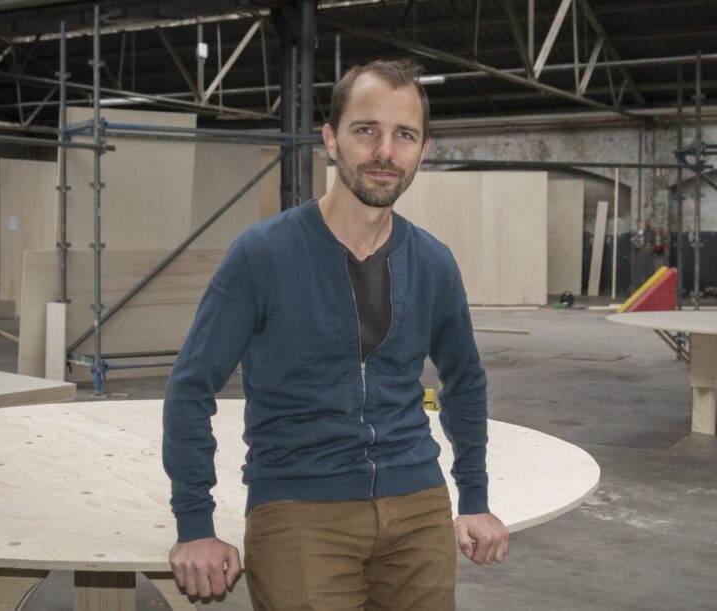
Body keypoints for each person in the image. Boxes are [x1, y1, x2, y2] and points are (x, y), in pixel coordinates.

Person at [162, 58, 508, 611]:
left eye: (404, 135)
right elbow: (191, 386)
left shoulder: (433, 262)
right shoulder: (263, 255)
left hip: (417, 503)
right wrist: (195, 524)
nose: (384, 151)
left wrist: (475, 497)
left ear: (423, 150)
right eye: (366, 130)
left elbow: (465, 381)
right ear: (331, 140)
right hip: (299, 505)